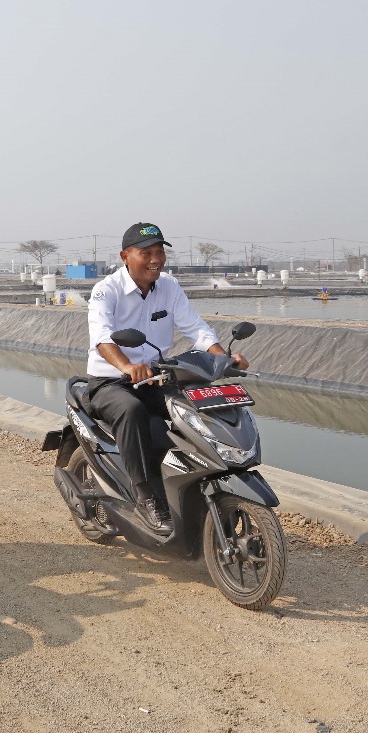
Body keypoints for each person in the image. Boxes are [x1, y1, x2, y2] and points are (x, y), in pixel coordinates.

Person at [85, 222, 248, 534]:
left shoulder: (169, 287)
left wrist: (221, 356)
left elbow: (195, 327)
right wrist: (126, 366)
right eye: (146, 253)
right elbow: (102, 338)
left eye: (159, 252)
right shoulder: (107, 290)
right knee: (131, 411)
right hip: (110, 382)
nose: (155, 259)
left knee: (196, 405)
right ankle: (144, 495)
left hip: (156, 378)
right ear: (125, 256)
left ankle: (200, 483)